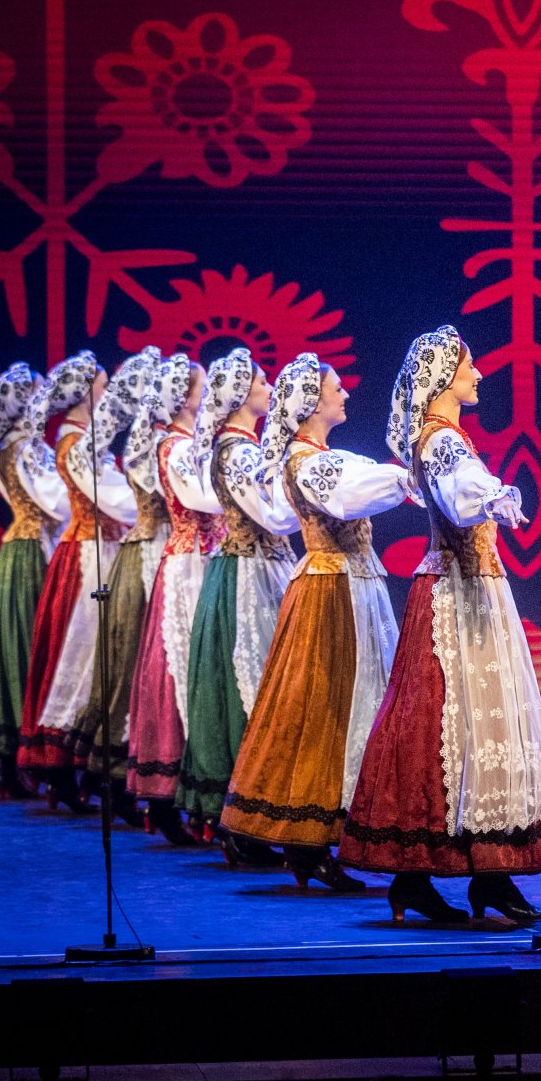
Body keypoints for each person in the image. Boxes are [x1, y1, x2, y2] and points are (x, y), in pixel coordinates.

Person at [341, 326, 541, 925]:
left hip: (474, 591)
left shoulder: (445, 438)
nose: (478, 375)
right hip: (454, 599)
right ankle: (443, 876)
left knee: (468, 732)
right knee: (444, 729)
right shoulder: (440, 440)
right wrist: (493, 494)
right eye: (468, 366)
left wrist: (492, 495)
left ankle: (478, 877)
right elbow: (461, 486)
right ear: (441, 378)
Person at [221, 354, 411, 890]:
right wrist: (408, 477)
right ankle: (307, 840)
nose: (345, 394)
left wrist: (401, 476)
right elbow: (349, 496)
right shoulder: (306, 462)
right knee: (325, 708)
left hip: (349, 586)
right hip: (331, 592)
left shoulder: (318, 458)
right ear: (311, 402)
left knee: (349, 706)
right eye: (336, 388)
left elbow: (324, 495)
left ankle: (324, 839)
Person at [176, 348, 300, 866]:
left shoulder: (239, 447)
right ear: (240, 395)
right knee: (249, 687)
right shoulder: (239, 452)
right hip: (248, 576)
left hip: (249, 568)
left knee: (248, 686)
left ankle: (246, 821)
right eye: (262, 382)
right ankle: (241, 822)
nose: (270, 389)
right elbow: (274, 517)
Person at [16, 351, 137, 810]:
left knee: (94, 657)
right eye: (103, 386)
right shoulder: (75, 443)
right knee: (85, 655)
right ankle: (65, 767)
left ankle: (81, 769)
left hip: (98, 548)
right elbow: (115, 503)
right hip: (89, 555)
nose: (108, 394)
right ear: (85, 395)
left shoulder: (85, 440)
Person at [124, 353, 224, 845]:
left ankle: (190, 797)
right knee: (179, 668)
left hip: (202, 557)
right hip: (189, 563)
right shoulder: (175, 445)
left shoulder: (191, 443)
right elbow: (204, 499)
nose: (208, 396)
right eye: (202, 388)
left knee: (194, 668)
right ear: (184, 398)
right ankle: (168, 796)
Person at [0, 362, 64, 799]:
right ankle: (27, 757)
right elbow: (56, 503)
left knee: (16, 644)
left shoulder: (8, 447)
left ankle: (12, 762)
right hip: (31, 551)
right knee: (31, 646)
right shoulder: (26, 449)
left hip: (14, 549)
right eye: (38, 393)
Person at [72, 346, 165, 816]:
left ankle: (116, 776)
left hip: (156, 552)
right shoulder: (153, 442)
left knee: (146, 667)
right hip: (146, 555)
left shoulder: (163, 437)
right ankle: (112, 775)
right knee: (132, 663)